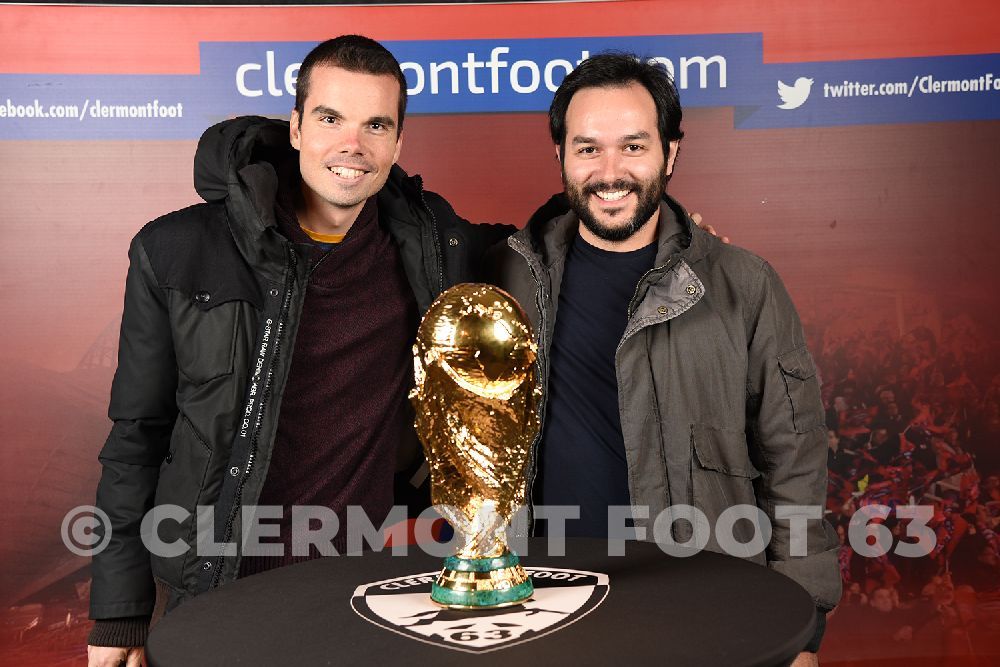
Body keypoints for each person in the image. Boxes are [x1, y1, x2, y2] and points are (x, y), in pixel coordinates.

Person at [85, 35, 513, 666]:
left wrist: (675, 232)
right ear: (294, 127)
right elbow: (135, 437)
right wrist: (118, 614)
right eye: (330, 118)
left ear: (399, 144)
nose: (353, 145)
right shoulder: (177, 250)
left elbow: (564, 241)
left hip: (365, 595)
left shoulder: (435, 249)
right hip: (217, 591)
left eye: (376, 125)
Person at [485, 53, 841, 664]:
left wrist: (800, 627)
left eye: (633, 146)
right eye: (588, 148)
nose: (610, 171)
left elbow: (795, 466)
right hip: (544, 607)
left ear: (671, 154)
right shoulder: (509, 276)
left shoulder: (744, 286)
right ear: (561, 157)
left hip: (705, 604)